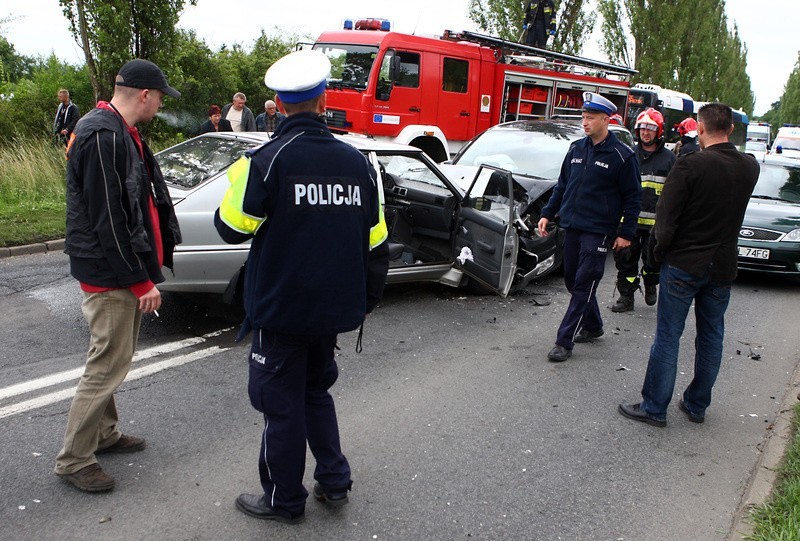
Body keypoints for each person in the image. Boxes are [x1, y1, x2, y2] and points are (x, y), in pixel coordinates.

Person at [214, 49, 389, 524]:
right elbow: (376, 243)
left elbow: (230, 227)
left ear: (277, 102)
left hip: (282, 309)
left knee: (279, 403)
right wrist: (367, 300)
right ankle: (333, 481)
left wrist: (237, 178)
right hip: (334, 309)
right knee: (315, 393)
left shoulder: (267, 160)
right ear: (323, 98)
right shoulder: (358, 163)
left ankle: (283, 500)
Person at [54, 59, 182, 492]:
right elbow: (108, 219)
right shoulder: (103, 134)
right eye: (161, 96)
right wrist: (139, 280)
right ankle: (74, 459)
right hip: (108, 273)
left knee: (112, 358)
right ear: (144, 94)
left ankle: (103, 435)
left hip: (114, 268)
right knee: (107, 364)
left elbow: (130, 208)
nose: (161, 104)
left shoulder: (116, 130)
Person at [618, 103, 759, 427]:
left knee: (668, 335)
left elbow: (665, 223)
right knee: (711, 335)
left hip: (683, 263)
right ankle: (697, 404)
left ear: (700, 127)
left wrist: (655, 256)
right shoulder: (749, 167)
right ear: (732, 129)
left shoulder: (689, 166)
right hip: (722, 266)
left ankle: (655, 407)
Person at [538, 92, 641, 363]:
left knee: (584, 283)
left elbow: (633, 198)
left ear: (606, 120)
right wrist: (547, 214)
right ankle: (594, 325)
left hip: (599, 230)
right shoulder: (576, 149)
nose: (585, 122)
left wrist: (625, 233)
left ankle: (564, 340)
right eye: (583, 117)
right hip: (572, 225)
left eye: (591, 118)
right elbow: (563, 186)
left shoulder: (622, 156)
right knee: (573, 280)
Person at [611, 108, 676, 312]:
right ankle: (626, 296)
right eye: (642, 129)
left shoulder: (669, 159)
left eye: (651, 129)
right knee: (625, 261)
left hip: (655, 226)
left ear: (659, 132)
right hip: (629, 222)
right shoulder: (628, 155)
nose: (646, 133)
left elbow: (674, 192)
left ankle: (650, 284)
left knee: (653, 262)